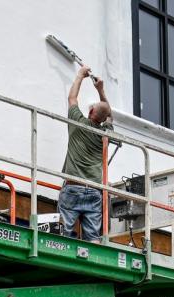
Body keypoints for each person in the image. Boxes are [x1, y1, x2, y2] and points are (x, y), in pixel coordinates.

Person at [59, 64, 113, 242]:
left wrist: (80, 75)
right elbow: (109, 115)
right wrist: (101, 90)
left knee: (63, 233)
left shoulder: (78, 123)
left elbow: (72, 98)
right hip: (94, 192)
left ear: (90, 112)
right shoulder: (105, 135)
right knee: (92, 238)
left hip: (73, 187)